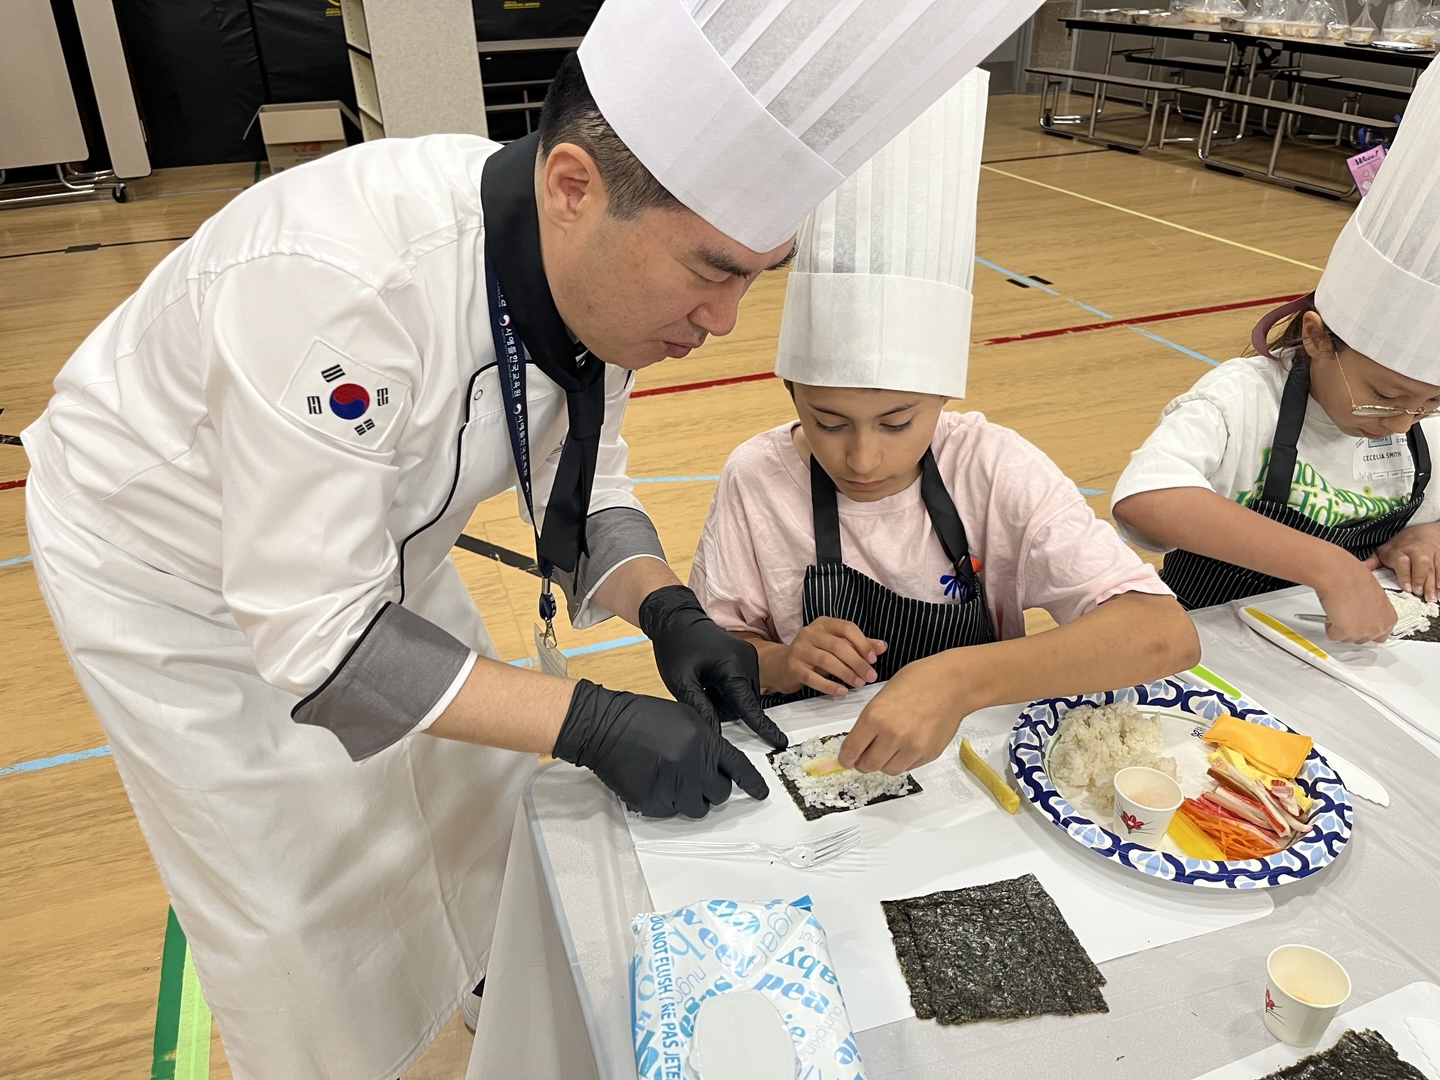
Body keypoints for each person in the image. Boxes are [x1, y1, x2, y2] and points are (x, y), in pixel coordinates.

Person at [21, 0, 1049, 1074]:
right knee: (298, 891)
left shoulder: (590, 275)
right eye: (712, 270)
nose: (726, 319)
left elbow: (588, 486)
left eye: (756, 273)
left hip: (373, 543)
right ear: (572, 187)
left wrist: (669, 611)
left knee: (475, 800)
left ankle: (487, 993)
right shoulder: (343, 292)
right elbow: (320, 641)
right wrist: (590, 721)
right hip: (168, 570)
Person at [689, 75, 1200, 777]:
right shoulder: (756, 478)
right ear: (791, 390)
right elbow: (714, 658)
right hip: (823, 768)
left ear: (943, 396)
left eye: (898, 422)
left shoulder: (990, 468)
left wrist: (958, 679)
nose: (862, 459)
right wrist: (781, 662)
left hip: (975, 767)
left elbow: (1163, 634)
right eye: (827, 422)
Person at [1111, 58, 1440, 642]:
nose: (1400, 421)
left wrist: (1428, 534)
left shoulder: (1421, 420)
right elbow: (1146, 499)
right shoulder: (1242, 400)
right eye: (1385, 395)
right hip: (1211, 645)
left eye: (1429, 404)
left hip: (1336, 652)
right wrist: (1327, 565)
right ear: (1316, 337)